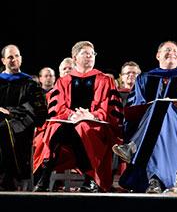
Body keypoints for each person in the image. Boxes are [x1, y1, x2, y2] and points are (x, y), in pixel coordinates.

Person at [116, 41, 177, 193]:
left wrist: (171, 108)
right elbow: (135, 108)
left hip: (176, 131)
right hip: (149, 130)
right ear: (158, 55)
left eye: (175, 51)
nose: (171, 53)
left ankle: (133, 145)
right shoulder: (143, 79)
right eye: (167, 50)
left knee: (163, 106)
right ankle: (155, 182)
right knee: (157, 114)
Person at [33, 41, 122, 192]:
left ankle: (91, 179)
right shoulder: (63, 81)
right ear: (74, 58)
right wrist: (73, 115)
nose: (90, 56)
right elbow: (57, 107)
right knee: (54, 128)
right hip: (67, 121)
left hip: (95, 124)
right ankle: (45, 175)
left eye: (92, 53)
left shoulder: (105, 80)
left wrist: (90, 115)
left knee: (83, 127)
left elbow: (109, 109)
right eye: (85, 53)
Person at [0, 45, 47, 191]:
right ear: (3, 60)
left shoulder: (30, 83)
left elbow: (40, 110)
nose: (14, 60)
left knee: (3, 128)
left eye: (17, 56)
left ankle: (9, 177)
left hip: (22, 125)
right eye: (10, 57)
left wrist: (10, 111)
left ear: (21, 58)